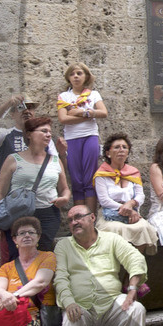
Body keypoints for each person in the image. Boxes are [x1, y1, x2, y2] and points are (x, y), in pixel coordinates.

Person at [55, 205, 149, 326]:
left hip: (111, 302)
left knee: (136, 309)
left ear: (91, 218)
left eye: (79, 217)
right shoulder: (64, 246)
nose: (74, 222)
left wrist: (132, 289)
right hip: (81, 307)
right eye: (70, 220)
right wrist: (68, 302)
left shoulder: (111, 239)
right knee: (69, 321)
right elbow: (60, 278)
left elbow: (135, 259)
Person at [0, 115, 71, 255]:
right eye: (43, 131)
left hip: (48, 214)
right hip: (19, 213)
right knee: (19, 255)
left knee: (43, 254)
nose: (48, 135)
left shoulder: (55, 160)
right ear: (29, 134)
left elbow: (64, 189)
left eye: (49, 132)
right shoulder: (13, 159)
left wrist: (64, 198)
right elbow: (1, 192)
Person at [57, 63, 107, 213]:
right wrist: (89, 115)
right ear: (68, 78)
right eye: (72, 74)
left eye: (79, 73)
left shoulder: (93, 94)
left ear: (86, 76)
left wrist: (81, 112)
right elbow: (63, 119)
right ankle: (79, 216)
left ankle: (90, 217)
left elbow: (103, 112)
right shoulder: (64, 96)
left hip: (90, 136)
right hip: (72, 138)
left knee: (89, 178)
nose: (76, 76)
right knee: (76, 179)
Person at [0, 95, 42, 168]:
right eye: (21, 108)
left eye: (30, 108)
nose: (26, 111)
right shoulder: (5, 134)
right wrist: (6, 105)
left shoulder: (42, 135)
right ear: (12, 114)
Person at [94, 134, 146, 222]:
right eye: (117, 147)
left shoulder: (133, 172)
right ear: (108, 153)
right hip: (110, 215)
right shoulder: (101, 174)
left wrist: (131, 203)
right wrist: (125, 209)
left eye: (124, 147)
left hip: (133, 213)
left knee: (144, 228)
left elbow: (140, 195)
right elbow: (104, 200)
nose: (121, 150)